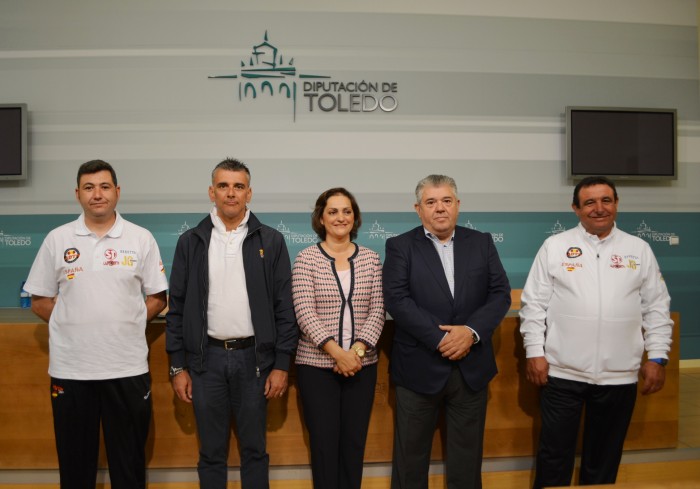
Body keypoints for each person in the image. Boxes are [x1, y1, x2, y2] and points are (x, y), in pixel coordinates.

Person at [519, 176, 673, 488]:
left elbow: (656, 307)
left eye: (606, 200)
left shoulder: (638, 249)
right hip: (562, 375)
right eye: (589, 202)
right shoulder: (555, 246)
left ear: (616, 205)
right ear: (575, 208)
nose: (599, 208)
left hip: (620, 377)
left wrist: (658, 357)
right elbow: (533, 305)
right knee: (553, 458)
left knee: (603, 460)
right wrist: (535, 352)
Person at [23, 159, 168, 489]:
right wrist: (73, 322)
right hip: (71, 372)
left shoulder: (140, 238)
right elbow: (40, 300)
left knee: (129, 465)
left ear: (117, 192)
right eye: (89, 188)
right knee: (75, 467)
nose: (97, 194)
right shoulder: (57, 239)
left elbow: (158, 297)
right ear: (78, 194)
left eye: (104, 187)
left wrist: (127, 322)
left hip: (127, 368)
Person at [166, 158, 297, 489]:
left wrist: (282, 364)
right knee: (211, 453)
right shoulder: (191, 241)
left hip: (255, 360)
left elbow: (285, 308)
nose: (231, 193)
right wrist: (177, 366)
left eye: (238, 186)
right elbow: (176, 309)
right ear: (212, 191)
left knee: (255, 451)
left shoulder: (271, 240)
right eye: (223, 186)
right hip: (205, 361)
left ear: (249, 193)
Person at [383, 174, 511, 489]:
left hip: (471, 369)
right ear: (418, 209)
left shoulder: (481, 242)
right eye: (431, 202)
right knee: (410, 462)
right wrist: (442, 339)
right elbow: (398, 301)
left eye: (446, 201)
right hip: (418, 368)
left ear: (457, 205)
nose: (440, 208)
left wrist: (470, 332)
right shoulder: (400, 246)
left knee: (467, 463)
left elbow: (500, 294)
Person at [292, 188, 385, 489]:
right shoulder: (306, 259)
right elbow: (304, 313)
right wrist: (337, 354)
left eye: (346, 211)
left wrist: (355, 353)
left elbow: (378, 311)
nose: (340, 217)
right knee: (323, 445)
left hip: (362, 366)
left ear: (355, 217)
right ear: (321, 217)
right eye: (333, 211)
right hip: (316, 367)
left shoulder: (371, 259)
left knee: (354, 444)